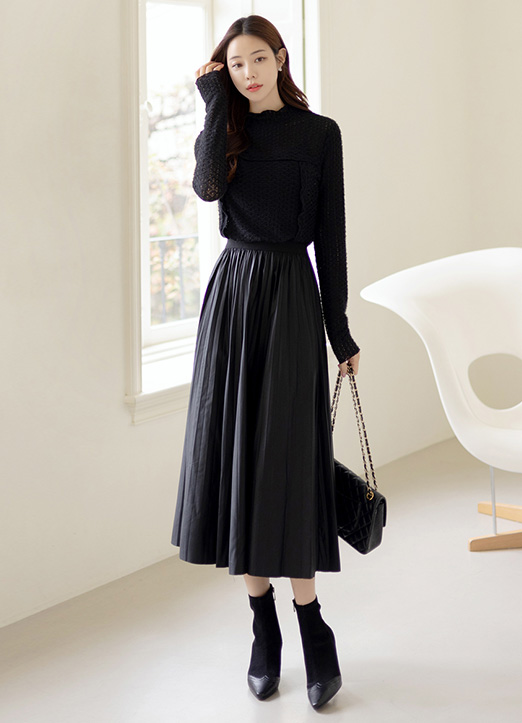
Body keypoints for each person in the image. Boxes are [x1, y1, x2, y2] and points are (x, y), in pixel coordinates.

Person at [171, 14, 361, 710]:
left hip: (290, 299)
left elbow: (331, 237)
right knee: (238, 463)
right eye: (235, 64)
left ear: (280, 58)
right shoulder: (225, 132)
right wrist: (213, 105)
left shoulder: (319, 134)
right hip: (233, 301)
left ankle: (312, 625)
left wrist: (339, 331)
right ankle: (262, 627)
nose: (248, 73)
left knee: (286, 462)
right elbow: (207, 190)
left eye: (257, 59)